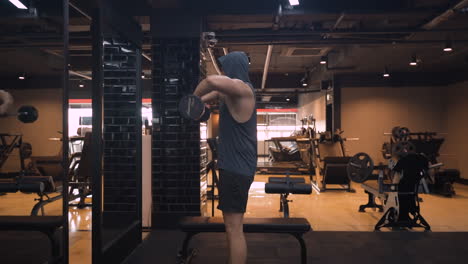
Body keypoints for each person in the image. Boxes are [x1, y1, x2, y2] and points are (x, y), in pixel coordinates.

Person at [193, 51, 257, 264]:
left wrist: (193, 98)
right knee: (231, 227)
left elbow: (211, 81)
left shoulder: (242, 90)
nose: (222, 73)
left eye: (224, 69)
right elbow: (214, 93)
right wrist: (198, 104)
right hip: (235, 167)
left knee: (234, 227)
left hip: (237, 169)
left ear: (232, 69)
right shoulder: (235, 93)